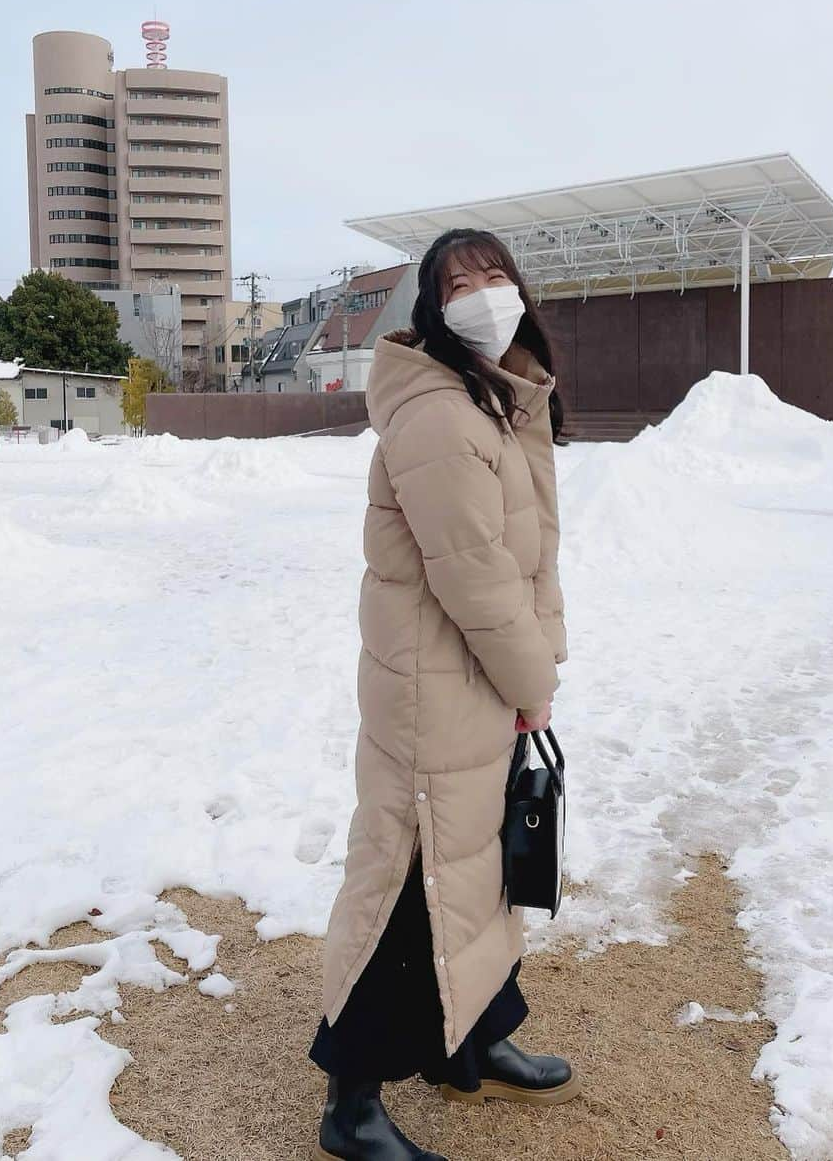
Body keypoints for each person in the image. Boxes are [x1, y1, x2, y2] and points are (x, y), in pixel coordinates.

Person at [309, 229, 580, 1160]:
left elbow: (520, 548)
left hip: (472, 675)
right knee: (409, 881)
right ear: (432, 303)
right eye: (457, 281)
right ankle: (351, 1104)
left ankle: (473, 1038)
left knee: (481, 868)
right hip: (437, 680)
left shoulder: (493, 393)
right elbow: (474, 574)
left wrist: (526, 666)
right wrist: (533, 681)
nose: (480, 292)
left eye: (494, 273)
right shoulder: (439, 410)